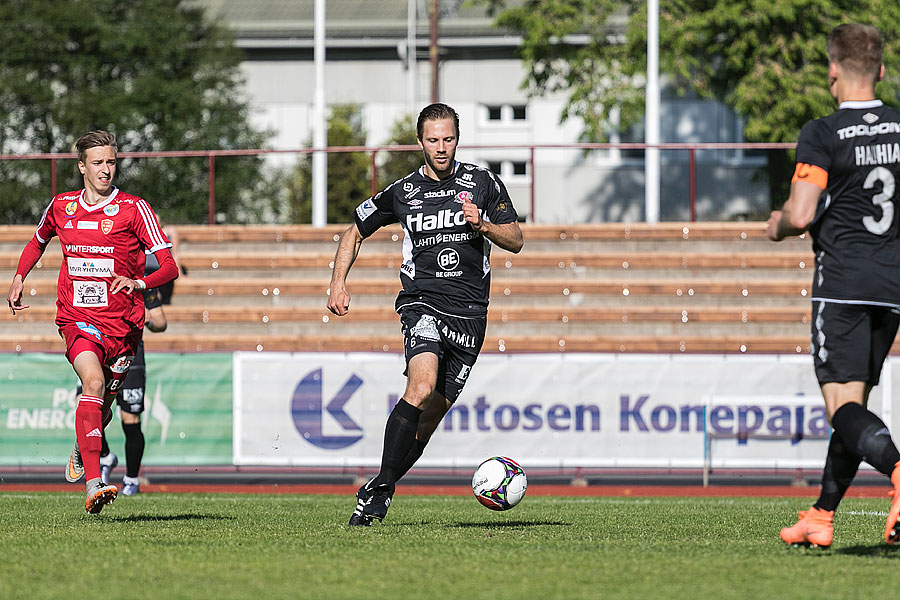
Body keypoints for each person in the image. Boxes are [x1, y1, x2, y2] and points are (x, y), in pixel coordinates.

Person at [327, 102, 524, 526]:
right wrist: (338, 282)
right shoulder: (402, 191)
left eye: (448, 139)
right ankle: (379, 492)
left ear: (457, 139)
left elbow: (517, 239)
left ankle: (378, 485)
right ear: (420, 142)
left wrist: (484, 226)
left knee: (430, 418)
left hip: (471, 312)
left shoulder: (483, 182)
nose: (441, 147)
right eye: (432, 140)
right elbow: (353, 231)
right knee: (421, 386)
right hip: (422, 301)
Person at [767, 24, 900, 547]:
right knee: (854, 403)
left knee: (840, 407)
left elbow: (801, 215)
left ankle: (896, 468)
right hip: (891, 284)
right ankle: (821, 516)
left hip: (843, 281)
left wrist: (773, 223)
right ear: (882, 71)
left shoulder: (823, 133)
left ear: (832, 71)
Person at [7, 130, 178, 514]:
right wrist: (20, 276)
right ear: (82, 166)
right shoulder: (62, 206)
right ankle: (94, 483)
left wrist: (138, 281)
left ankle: (82, 443)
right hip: (78, 317)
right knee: (94, 382)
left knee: (104, 404)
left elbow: (169, 266)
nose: (106, 169)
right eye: (98, 162)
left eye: (111, 162)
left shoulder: (135, 209)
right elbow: (38, 241)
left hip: (124, 325)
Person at [92, 276, 168, 496]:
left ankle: (132, 479)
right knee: (87, 407)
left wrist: (148, 322)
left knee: (131, 419)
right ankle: (105, 456)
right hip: (100, 350)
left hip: (131, 355)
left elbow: (161, 322)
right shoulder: (99, 275)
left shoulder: (143, 285)